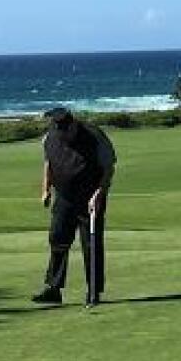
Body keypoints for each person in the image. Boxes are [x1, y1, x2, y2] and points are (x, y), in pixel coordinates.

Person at [33, 106, 116, 306]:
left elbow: (109, 167)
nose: (62, 135)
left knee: (91, 244)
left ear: (73, 125)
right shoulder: (50, 137)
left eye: (65, 130)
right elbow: (48, 163)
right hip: (64, 197)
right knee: (57, 239)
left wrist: (99, 193)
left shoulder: (94, 136)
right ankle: (54, 289)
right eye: (58, 129)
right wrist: (46, 190)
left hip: (90, 198)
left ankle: (94, 292)